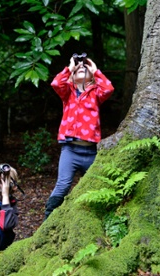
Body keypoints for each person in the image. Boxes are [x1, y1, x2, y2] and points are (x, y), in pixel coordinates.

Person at [44, 53, 114, 220]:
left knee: (94, 186)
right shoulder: (68, 93)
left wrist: (96, 71)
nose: (81, 69)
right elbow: (56, 83)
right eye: (78, 70)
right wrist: (70, 67)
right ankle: (48, 219)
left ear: (92, 78)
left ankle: (93, 219)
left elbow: (109, 89)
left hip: (91, 152)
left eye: (85, 69)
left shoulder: (96, 93)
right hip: (71, 150)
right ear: (72, 77)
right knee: (63, 185)